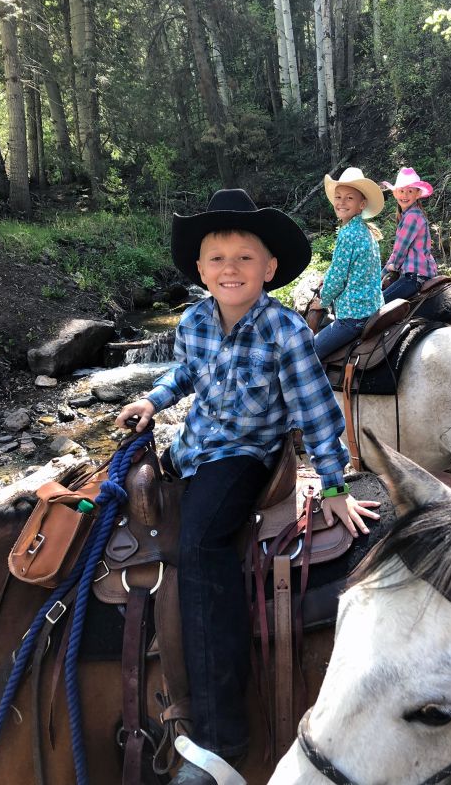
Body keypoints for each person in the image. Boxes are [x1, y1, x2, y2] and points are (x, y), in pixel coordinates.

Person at [115, 188, 379, 785]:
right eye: (216, 258)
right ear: (201, 269)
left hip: (244, 457)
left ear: (270, 269)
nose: (229, 269)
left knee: (202, 546)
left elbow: (315, 409)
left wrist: (333, 484)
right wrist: (150, 400)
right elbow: (184, 373)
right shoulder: (193, 320)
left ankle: (219, 739)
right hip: (193, 447)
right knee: (127, 513)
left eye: (243, 258)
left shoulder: (284, 329)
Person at [311, 167, 384, 360]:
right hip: (373, 308)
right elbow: (344, 268)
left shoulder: (348, 234)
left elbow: (338, 277)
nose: (341, 202)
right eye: (338, 197)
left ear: (362, 204)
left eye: (349, 198)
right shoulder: (365, 230)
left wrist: (323, 302)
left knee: (306, 356)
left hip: (354, 316)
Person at [380, 167, 438, 303]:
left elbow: (400, 249)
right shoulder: (412, 214)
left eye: (410, 191)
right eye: (401, 191)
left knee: (376, 305)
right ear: (395, 193)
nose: (404, 195)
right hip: (418, 273)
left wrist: (383, 273)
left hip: (415, 276)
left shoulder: (412, 216)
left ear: (417, 194)